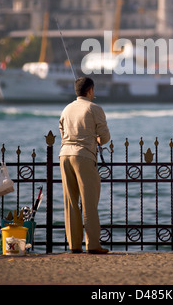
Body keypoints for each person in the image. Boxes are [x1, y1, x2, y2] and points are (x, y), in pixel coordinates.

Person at [59, 76, 111, 254]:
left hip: (64, 154)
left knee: (70, 202)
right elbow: (104, 137)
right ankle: (93, 244)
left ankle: (74, 244)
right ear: (90, 90)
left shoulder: (66, 109)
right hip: (83, 156)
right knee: (89, 202)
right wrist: (96, 139)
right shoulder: (94, 108)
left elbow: (62, 130)